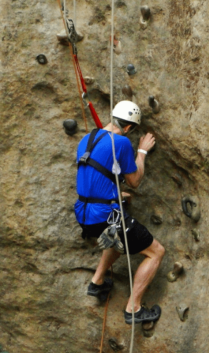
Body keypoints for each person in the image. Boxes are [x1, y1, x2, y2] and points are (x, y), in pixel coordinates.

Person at [74, 100, 165, 324]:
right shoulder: (122, 142)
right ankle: (133, 309)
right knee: (156, 252)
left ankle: (97, 283)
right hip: (104, 214)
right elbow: (134, 180)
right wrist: (141, 152)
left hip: (84, 212)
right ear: (128, 128)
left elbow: (94, 175)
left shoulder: (87, 139)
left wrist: (116, 195)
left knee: (116, 238)